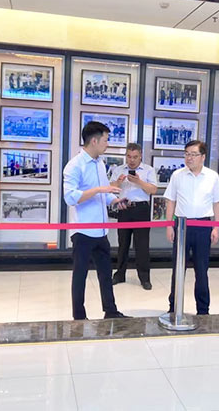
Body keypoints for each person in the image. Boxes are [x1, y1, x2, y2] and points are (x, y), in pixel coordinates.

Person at [63, 121, 130, 320]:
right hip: (83, 231)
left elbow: (104, 193)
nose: (107, 144)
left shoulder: (100, 163)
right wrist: (99, 189)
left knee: (105, 274)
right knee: (80, 276)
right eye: (105, 140)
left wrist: (115, 200)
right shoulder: (74, 165)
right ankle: (79, 317)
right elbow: (70, 197)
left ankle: (111, 311)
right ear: (94, 141)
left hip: (101, 231)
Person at [164, 140, 219, 315]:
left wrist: (216, 227)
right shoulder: (177, 175)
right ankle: (174, 307)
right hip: (181, 226)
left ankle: (203, 310)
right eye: (187, 154)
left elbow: (217, 203)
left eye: (194, 154)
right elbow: (171, 201)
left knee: (202, 270)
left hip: (203, 226)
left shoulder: (212, 176)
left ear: (203, 157)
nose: (189, 158)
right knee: (178, 270)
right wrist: (169, 225)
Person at [110, 143, 158, 290]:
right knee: (122, 243)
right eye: (129, 156)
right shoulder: (119, 170)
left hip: (141, 209)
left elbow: (153, 190)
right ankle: (120, 274)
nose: (131, 160)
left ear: (140, 156)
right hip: (124, 208)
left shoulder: (148, 170)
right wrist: (118, 182)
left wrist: (139, 181)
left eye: (135, 157)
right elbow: (110, 188)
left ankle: (144, 278)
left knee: (142, 245)